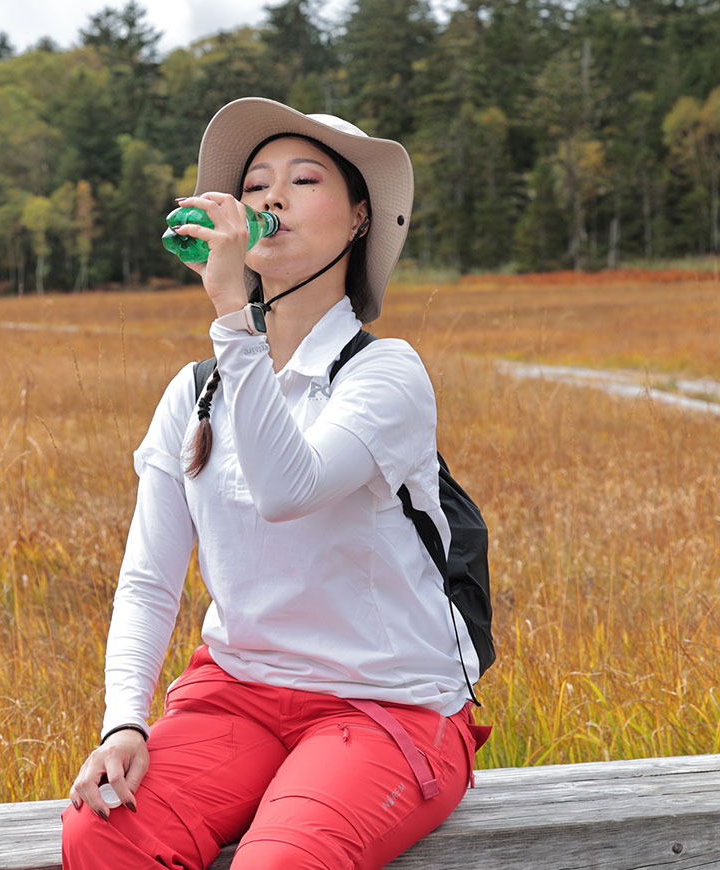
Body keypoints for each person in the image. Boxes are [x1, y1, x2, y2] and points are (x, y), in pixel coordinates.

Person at [62, 97, 489, 870]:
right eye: (255, 185)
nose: (272, 198)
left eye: (304, 179)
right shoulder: (193, 392)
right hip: (239, 690)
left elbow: (288, 488)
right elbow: (149, 579)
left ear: (359, 217)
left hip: (387, 701)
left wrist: (233, 310)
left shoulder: (385, 374)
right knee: (105, 834)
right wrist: (123, 722)